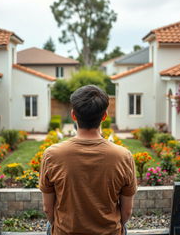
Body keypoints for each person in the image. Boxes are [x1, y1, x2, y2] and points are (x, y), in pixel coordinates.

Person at [39, 85, 137, 235]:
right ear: (104, 116)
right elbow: (127, 211)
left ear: (73, 115)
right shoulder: (123, 156)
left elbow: (47, 208)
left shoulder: (52, 155)